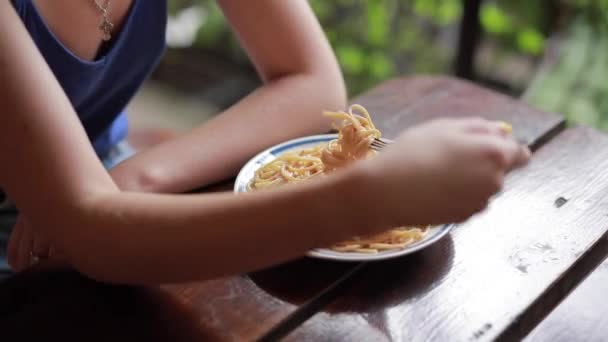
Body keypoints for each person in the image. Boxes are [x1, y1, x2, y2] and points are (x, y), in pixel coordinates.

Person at [0, 0, 530, 284]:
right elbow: (97, 238)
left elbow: (313, 81)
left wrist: (140, 176)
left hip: (105, 187)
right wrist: (372, 197)